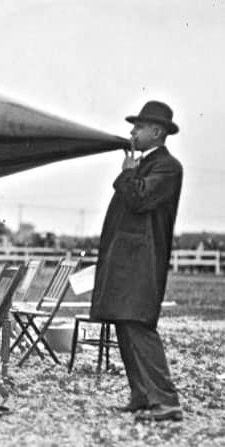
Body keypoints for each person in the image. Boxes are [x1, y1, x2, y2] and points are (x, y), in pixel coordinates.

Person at [90, 101, 183, 422]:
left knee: (138, 324)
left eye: (138, 127)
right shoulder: (148, 165)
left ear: (157, 132)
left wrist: (128, 174)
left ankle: (166, 402)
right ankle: (143, 395)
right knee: (124, 321)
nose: (132, 132)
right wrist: (130, 173)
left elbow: (140, 198)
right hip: (128, 261)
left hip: (141, 263)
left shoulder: (168, 167)